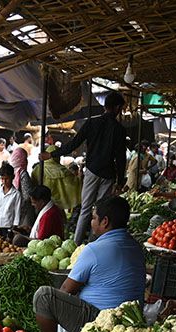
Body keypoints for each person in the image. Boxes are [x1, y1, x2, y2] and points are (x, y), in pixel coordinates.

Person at [32, 196, 144, 332]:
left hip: (102, 320)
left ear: (105, 222)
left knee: (43, 297)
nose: (91, 222)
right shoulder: (136, 247)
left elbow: (67, 289)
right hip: (131, 318)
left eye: (93, 218)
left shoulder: (94, 249)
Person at [46, 92, 127, 245]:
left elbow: (73, 144)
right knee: (101, 211)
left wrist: (52, 154)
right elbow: (121, 158)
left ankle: (76, 244)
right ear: (117, 108)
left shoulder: (91, 123)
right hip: (108, 174)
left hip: (92, 170)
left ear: (105, 106)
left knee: (85, 209)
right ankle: (93, 243)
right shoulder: (119, 129)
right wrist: (120, 181)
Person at [31, 145, 79, 214]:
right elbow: (75, 186)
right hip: (58, 208)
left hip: (41, 205)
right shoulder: (64, 172)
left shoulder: (38, 169)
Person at [0, 163, 23, 234]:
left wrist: (15, 225)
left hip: (8, 226)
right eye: (2, 179)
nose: (4, 181)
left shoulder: (16, 194)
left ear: (13, 177)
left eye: (7, 179)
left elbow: (17, 211)